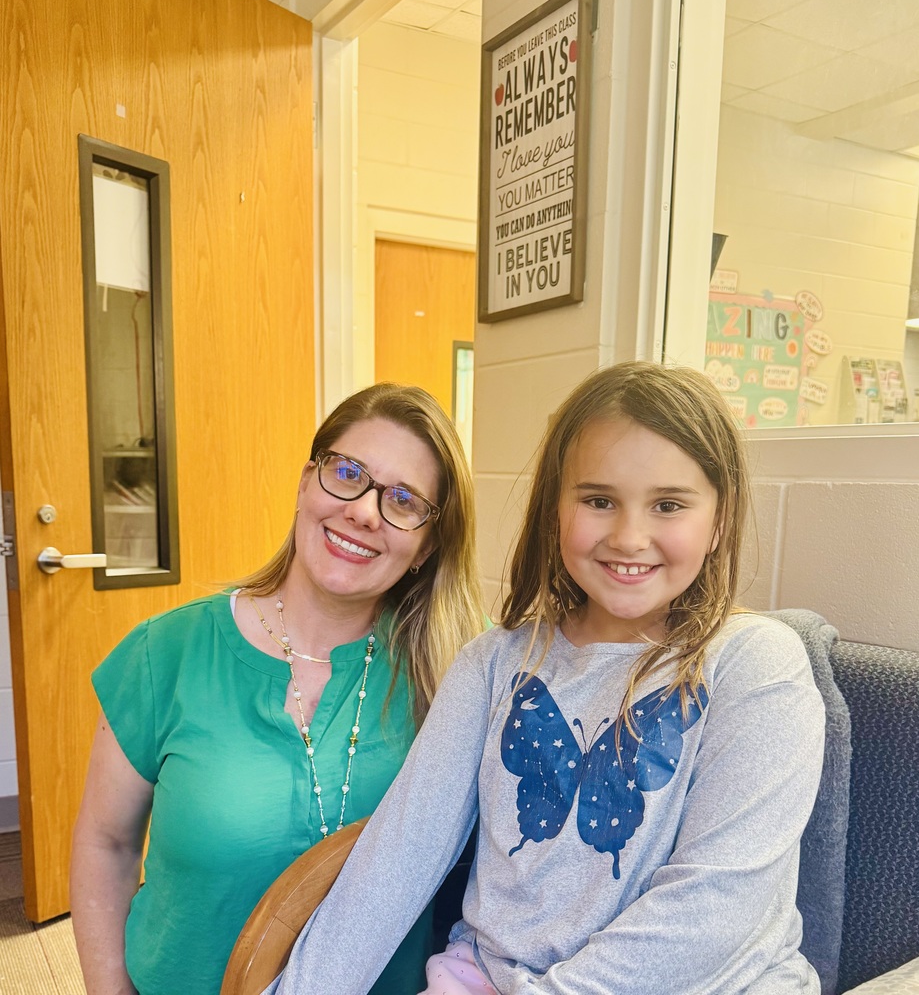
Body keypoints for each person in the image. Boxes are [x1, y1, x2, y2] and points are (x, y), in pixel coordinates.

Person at [264, 360, 826, 995]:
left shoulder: (756, 664)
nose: (629, 535)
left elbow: (718, 910)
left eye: (668, 504)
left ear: (718, 522)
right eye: (598, 500)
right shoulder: (493, 664)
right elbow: (394, 862)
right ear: (555, 510)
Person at [70, 382, 487, 995]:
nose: (365, 511)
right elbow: (105, 844)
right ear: (304, 483)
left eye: (404, 499)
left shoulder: (458, 666)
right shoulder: (169, 653)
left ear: (426, 545)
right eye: (347, 472)